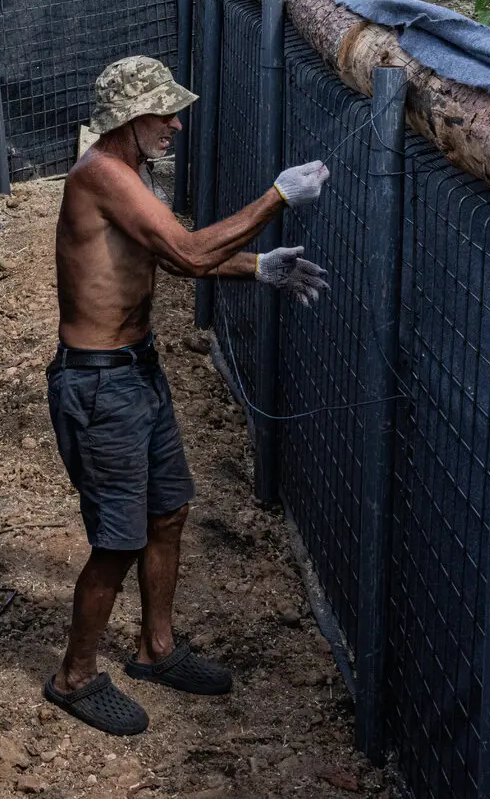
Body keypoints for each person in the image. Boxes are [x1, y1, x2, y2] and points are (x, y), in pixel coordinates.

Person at [45, 56, 329, 735]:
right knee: (117, 539)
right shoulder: (104, 177)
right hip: (99, 385)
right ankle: (74, 677)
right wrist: (277, 199)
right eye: (162, 112)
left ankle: (157, 648)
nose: (175, 122)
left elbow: (170, 255)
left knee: (167, 510)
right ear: (127, 119)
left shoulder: (131, 173)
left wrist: (259, 266)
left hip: (137, 372)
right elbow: (193, 254)